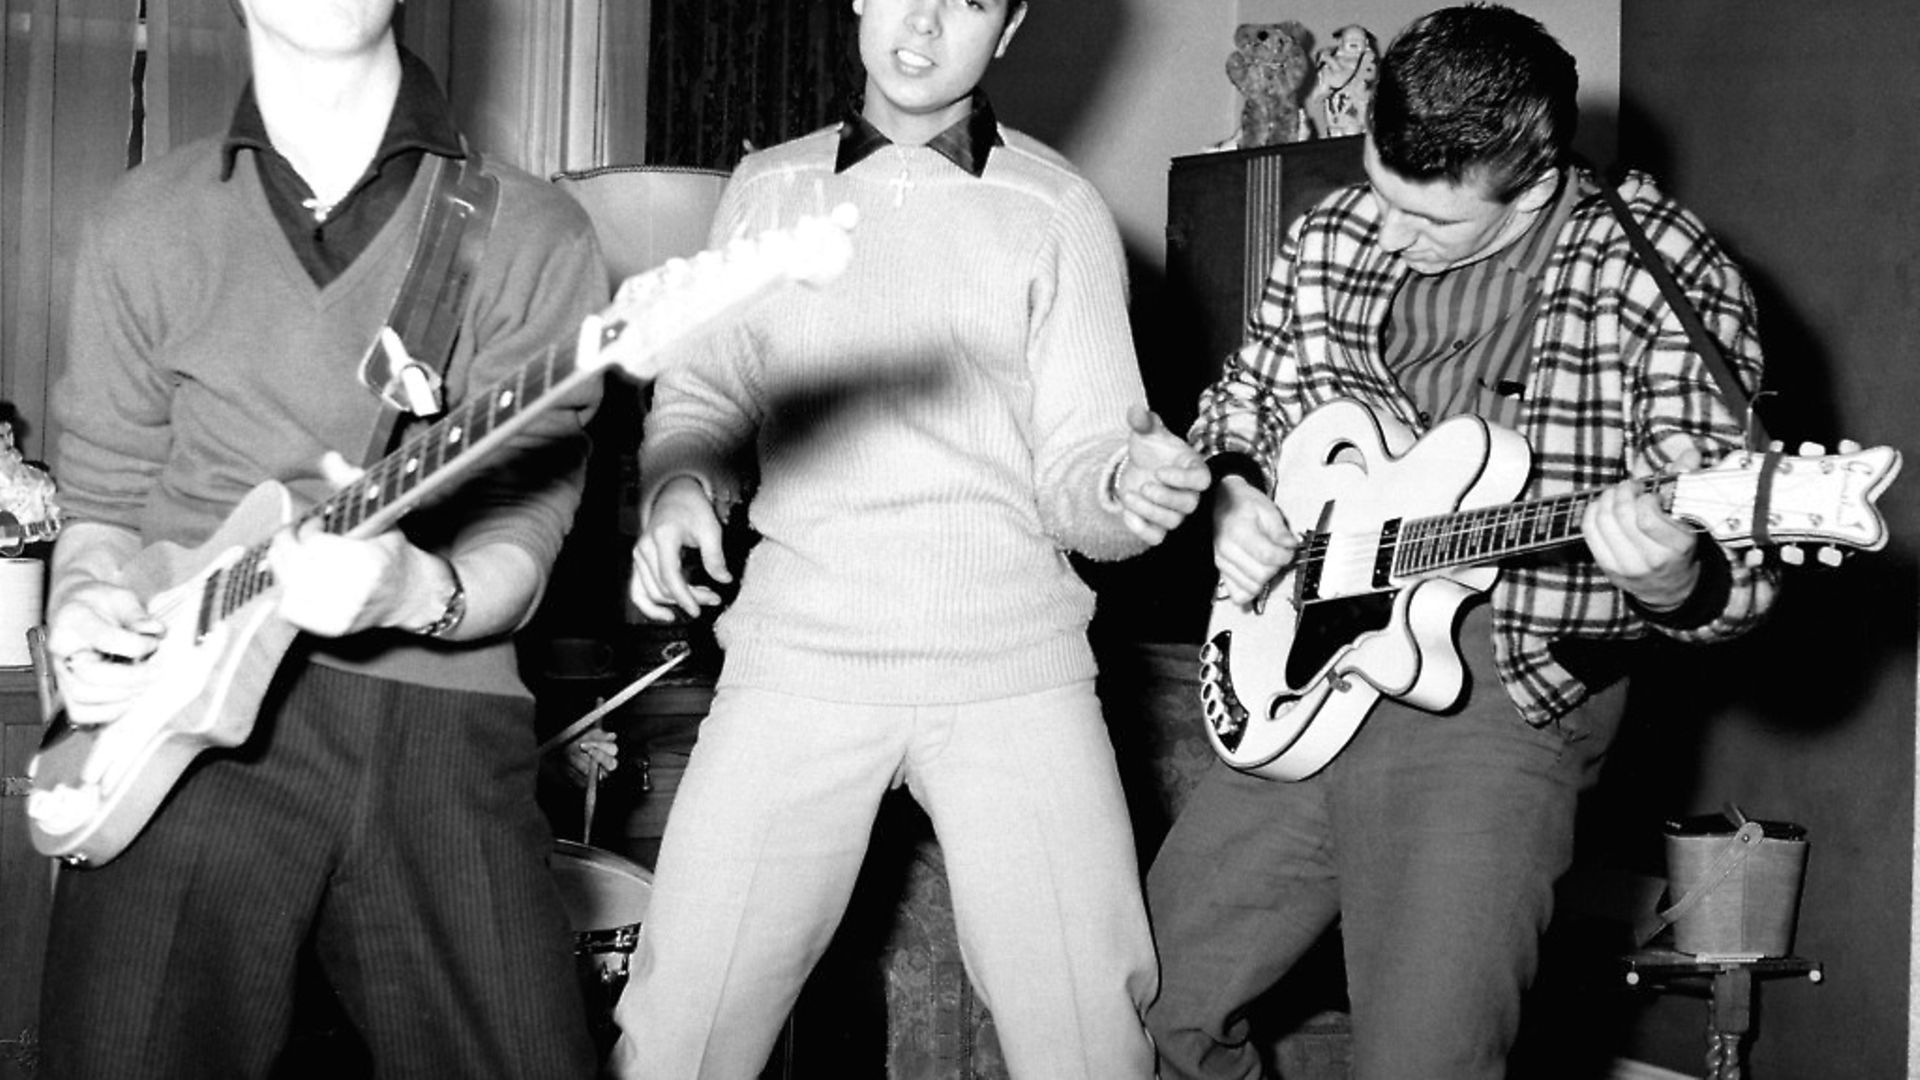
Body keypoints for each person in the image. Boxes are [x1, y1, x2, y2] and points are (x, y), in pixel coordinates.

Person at [1144, 6, 1780, 1078]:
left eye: (1430, 222)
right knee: (1149, 1004)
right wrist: (1232, 494)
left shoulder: (1658, 270)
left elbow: (1735, 567)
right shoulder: (1334, 232)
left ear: (1533, 184)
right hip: (1305, 664)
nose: (1385, 233)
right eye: (1381, 190)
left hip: (1502, 690)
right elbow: (1238, 407)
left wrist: (1675, 574)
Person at [607, 0, 1211, 1076]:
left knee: (1090, 1045)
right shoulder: (769, 192)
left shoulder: (1057, 209)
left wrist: (1127, 489)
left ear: (1012, 27)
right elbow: (701, 398)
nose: (924, 22)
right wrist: (680, 490)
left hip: (1013, 673)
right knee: (677, 1040)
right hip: (797, 663)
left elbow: (1081, 471)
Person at [36, 0, 605, 1075]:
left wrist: (417, 592)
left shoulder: (532, 230)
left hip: (442, 719)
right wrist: (86, 607)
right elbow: (103, 509)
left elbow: (528, 531)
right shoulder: (142, 221)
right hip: (185, 728)